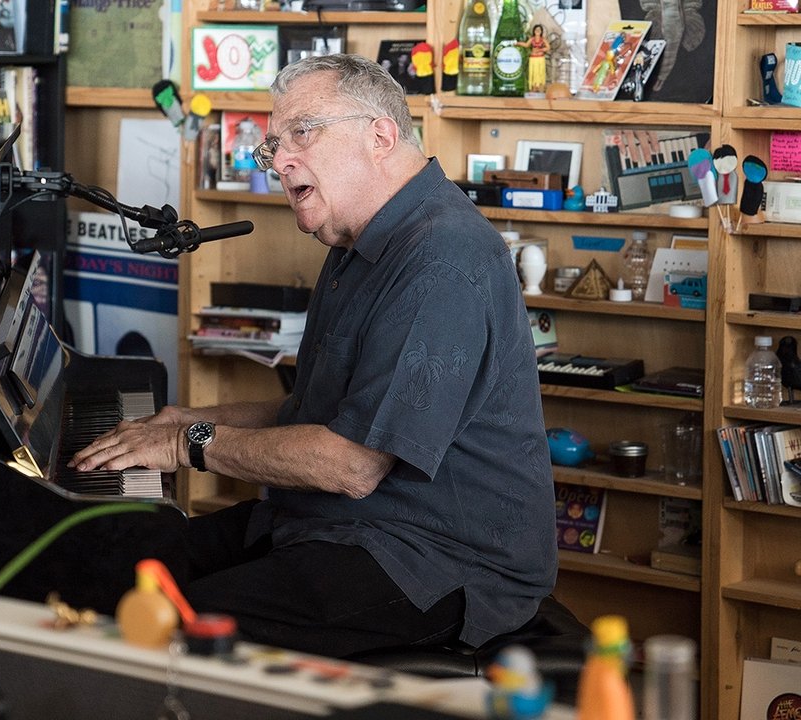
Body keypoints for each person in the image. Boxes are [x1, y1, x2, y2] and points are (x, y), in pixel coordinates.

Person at [69, 53, 557, 659]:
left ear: (380, 134)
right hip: (334, 525)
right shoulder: (355, 241)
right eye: (273, 147)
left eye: (302, 132)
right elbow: (311, 411)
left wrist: (187, 443)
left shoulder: (444, 261)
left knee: (163, 628)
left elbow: (351, 465)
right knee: (112, 563)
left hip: (434, 559)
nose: (281, 161)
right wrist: (186, 419)